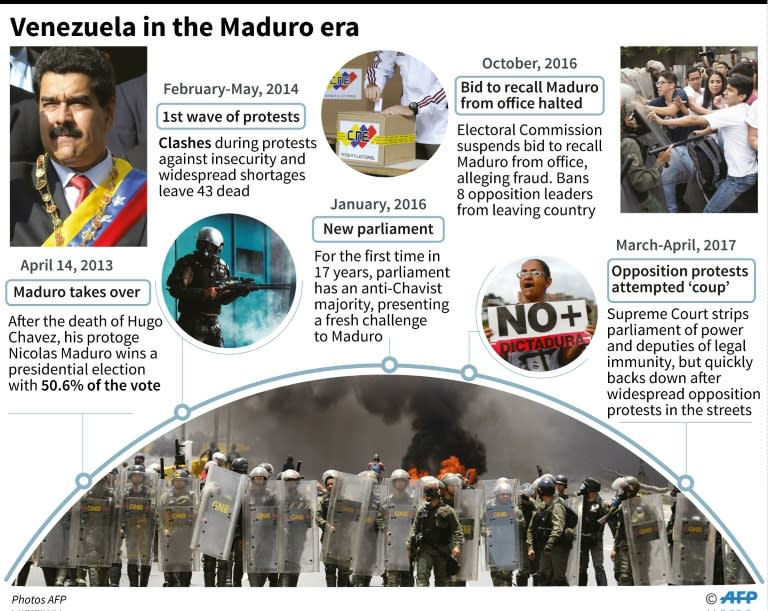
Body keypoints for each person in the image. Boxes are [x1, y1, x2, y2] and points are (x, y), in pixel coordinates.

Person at [10, 46, 147, 246]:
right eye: (50, 104)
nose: (61, 118)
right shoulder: (11, 191)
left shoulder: (147, 194)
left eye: (77, 103)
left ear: (108, 113)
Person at [648, 74, 757, 213]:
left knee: (709, 211)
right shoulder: (744, 109)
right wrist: (704, 132)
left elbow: (693, 120)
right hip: (745, 173)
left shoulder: (733, 112)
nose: (724, 92)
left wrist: (662, 121)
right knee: (729, 209)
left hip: (739, 178)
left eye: (729, 90)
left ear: (741, 96)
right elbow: (722, 126)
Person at [485, 259, 596, 371]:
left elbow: (565, 360)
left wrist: (581, 343)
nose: (527, 276)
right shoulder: (505, 319)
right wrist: (489, 347)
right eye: (523, 273)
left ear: (548, 282)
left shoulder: (561, 315)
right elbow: (503, 361)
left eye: (535, 273)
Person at [166, 227, 249, 347]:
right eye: (202, 245)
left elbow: (223, 299)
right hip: (189, 323)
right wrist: (202, 293)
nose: (205, 250)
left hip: (213, 326)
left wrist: (238, 292)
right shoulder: (187, 263)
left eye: (209, 246)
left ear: (218, 248)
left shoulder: (223, 268)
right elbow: (175, 290)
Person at [364, 51, 447, 160]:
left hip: (440, 128)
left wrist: (414, 107)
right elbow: (380, 64)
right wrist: (373, 83)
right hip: (408, 127)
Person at [407, 481, 464, 587]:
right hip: (425, 549)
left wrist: (457, 546)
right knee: (421, 579)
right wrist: (409, 546)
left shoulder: (448, 511)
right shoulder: (422, 510)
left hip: (442, 550)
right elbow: (414, 529)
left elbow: (457, 530)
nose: (427, 492)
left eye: (430, 490)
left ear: (438, 492)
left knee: (442, 582)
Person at [526, 476, 572, 586]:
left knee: (558, 579)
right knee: (544, 577)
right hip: (544, 549)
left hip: (557, 549)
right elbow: (531, 529)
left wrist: (550, 544)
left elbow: (558, 528)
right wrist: (530, 547)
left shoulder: (557, 506)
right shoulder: (542, 507)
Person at [158, 470, 196, 587]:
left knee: (185, 563)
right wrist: (163, 529)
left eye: (181, 480)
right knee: (169, 562)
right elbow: (159, 515)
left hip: (186, 534)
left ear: (185, 481)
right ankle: (170, 582)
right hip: (170, 534)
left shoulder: (193, 496)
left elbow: (198, 513)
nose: (178, 483)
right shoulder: (165, 496)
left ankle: (185, 584)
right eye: (176, 480)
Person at [245, 466, 279, 587]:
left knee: (264, 566)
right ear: (252, 480)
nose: (258, 481)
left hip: (266, 537)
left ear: (265, 480)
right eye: (256, 478)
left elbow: (277, 515)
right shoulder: (246, 496)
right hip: (250, 536)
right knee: (252, 567)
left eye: (261, 478)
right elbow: (239, 517)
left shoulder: (271, 496)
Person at [121, 465, 154, 587]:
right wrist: (121, 527)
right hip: (131, 531)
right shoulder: (127, 493)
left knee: (145, 559)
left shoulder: (149, 493)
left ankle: (143, 586)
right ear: (131, 477)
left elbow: (152, 512)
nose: (137, 478)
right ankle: (133, 585)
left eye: (139, 475)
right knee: (132, 559)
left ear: (143, 477)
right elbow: (122, 513)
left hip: (145, 531)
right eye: (135, 475)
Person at [576, 477, 609, 586]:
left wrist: (616, 543)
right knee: (581, 567)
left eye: (585, 486)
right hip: (582, 540)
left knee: (598, 566)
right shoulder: (579, 502)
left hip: (596, 540)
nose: (582, 488)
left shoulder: (603, 505)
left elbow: (613, 523)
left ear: (591, 488)